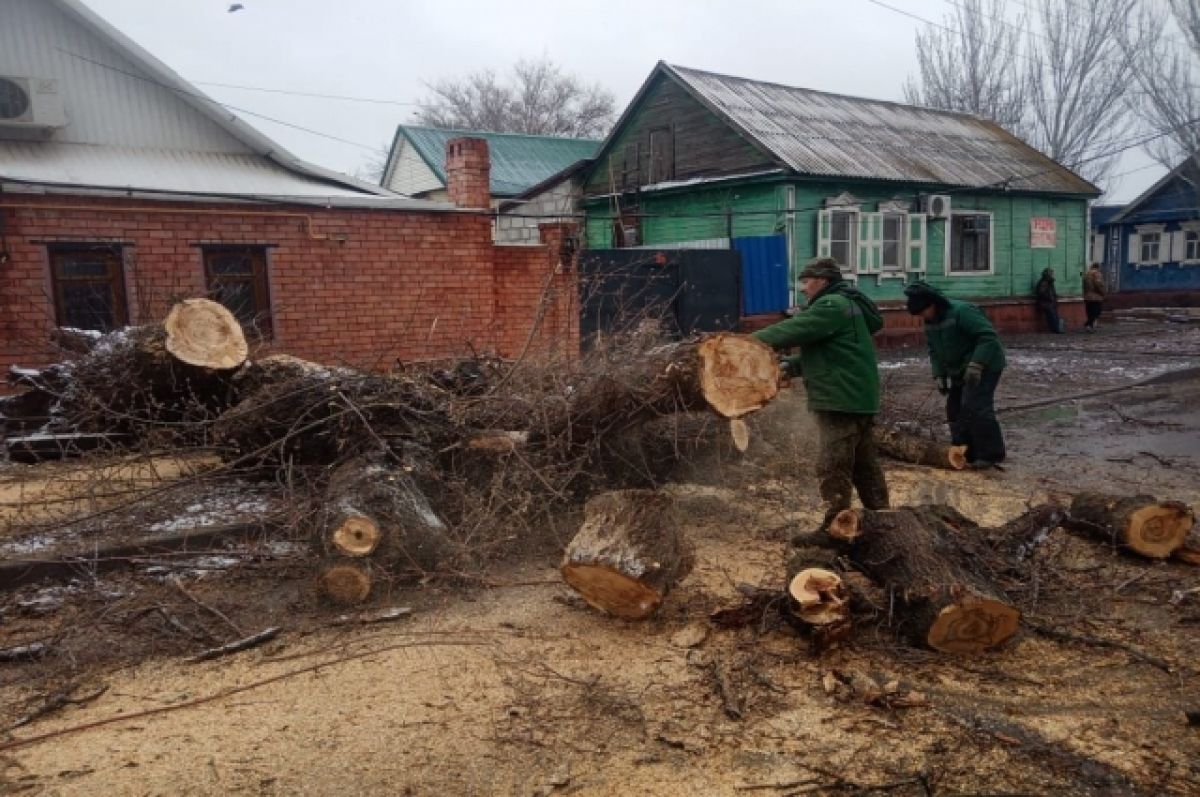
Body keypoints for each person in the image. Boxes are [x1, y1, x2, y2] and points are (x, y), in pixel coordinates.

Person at [752, 257, 889, 529]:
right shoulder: (846, 306)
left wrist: (745, 342)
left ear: (823, 281)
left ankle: (835, 526)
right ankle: (884, 520)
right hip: (857, 397)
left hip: (841, 400)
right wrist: (789, 366)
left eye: (807, 281)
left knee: (833, 465)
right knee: (864, 465)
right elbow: (830, 355)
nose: (803, 288)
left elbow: (793, 329)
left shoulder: (831, 305)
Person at [903, 281, 1007, 469]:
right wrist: (939, 375)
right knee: (954, 409)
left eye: (923, 312)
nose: (922, 317)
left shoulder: (962, 312)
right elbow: (934, 350)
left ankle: (991, 454)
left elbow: (988, 337)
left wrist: (977, 364)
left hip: (986, 364)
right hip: (959, 368)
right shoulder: (930, 322)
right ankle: (965, 451)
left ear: (933, 304)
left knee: (975, 406)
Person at [1035, 267, 1063, 333]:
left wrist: (1054, 297)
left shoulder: (1049, 282)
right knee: (1052, 316)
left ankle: (1056, 329)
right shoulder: (1044, 282)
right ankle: (1056, 330)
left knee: (1054, 316)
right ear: (1048, 274)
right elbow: (1041, 292)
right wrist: (1050, 298)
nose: (1053, 275)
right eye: (1051, 274)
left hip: (1050, 303)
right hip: (1046, 303)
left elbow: (1051, 292)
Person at [1082, 263, 1106, 332]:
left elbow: (1084, 285)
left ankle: (1090, 327)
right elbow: (1099, 284)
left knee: (1089, 313)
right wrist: (1103, 293)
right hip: (1096, 297)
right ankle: (1088, 324)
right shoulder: (1097, 274)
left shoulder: (1086, 274)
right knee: (1096, 312)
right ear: (1098, 267)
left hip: (1087, 297)